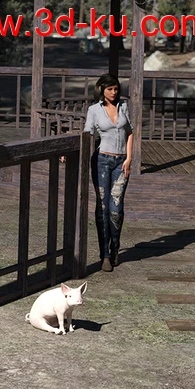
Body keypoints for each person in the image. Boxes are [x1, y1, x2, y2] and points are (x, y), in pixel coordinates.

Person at [64, 73, 133, 273]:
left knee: (116, 208)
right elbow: (87, 133)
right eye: (110, 89)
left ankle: (115, 247)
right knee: (102, 207)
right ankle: (105, 254)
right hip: (102, 160)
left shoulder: (123, 106)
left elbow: (130, 132)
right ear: (101, 89)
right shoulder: (94, 110)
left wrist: (129, 158)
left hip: (121, 162)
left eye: (116, 89)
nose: (114, 92)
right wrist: (69, 150)